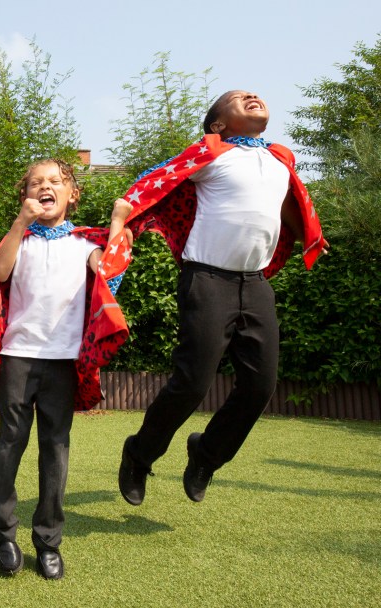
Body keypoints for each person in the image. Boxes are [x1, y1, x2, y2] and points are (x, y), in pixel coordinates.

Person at [115, 90, 328, 506]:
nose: (251, 96)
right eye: (236, 97)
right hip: (207, 279)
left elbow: (288, 210)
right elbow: (160, 179)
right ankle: (139, 454)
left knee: (260, 386)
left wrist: (309, 234)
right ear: (218, 124)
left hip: (255, 284)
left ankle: (206, 455)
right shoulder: (211, 152)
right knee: (192, 383)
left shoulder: (280, 159)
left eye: (254, 94)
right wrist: (125, 212)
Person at [0, 158, 130, 579]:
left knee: (55, 447)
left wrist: (118, 220)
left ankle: (48, 540)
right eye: (36, 183)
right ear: (27, 196)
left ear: (72, 194)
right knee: (11, 439)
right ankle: (2, 532)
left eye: (55, 182)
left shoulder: (86, 246)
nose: (45, 187)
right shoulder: (21, 240)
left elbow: (110, 273)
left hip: (63, 361)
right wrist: (19, 222)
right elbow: (0, 270)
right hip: (18, 355)